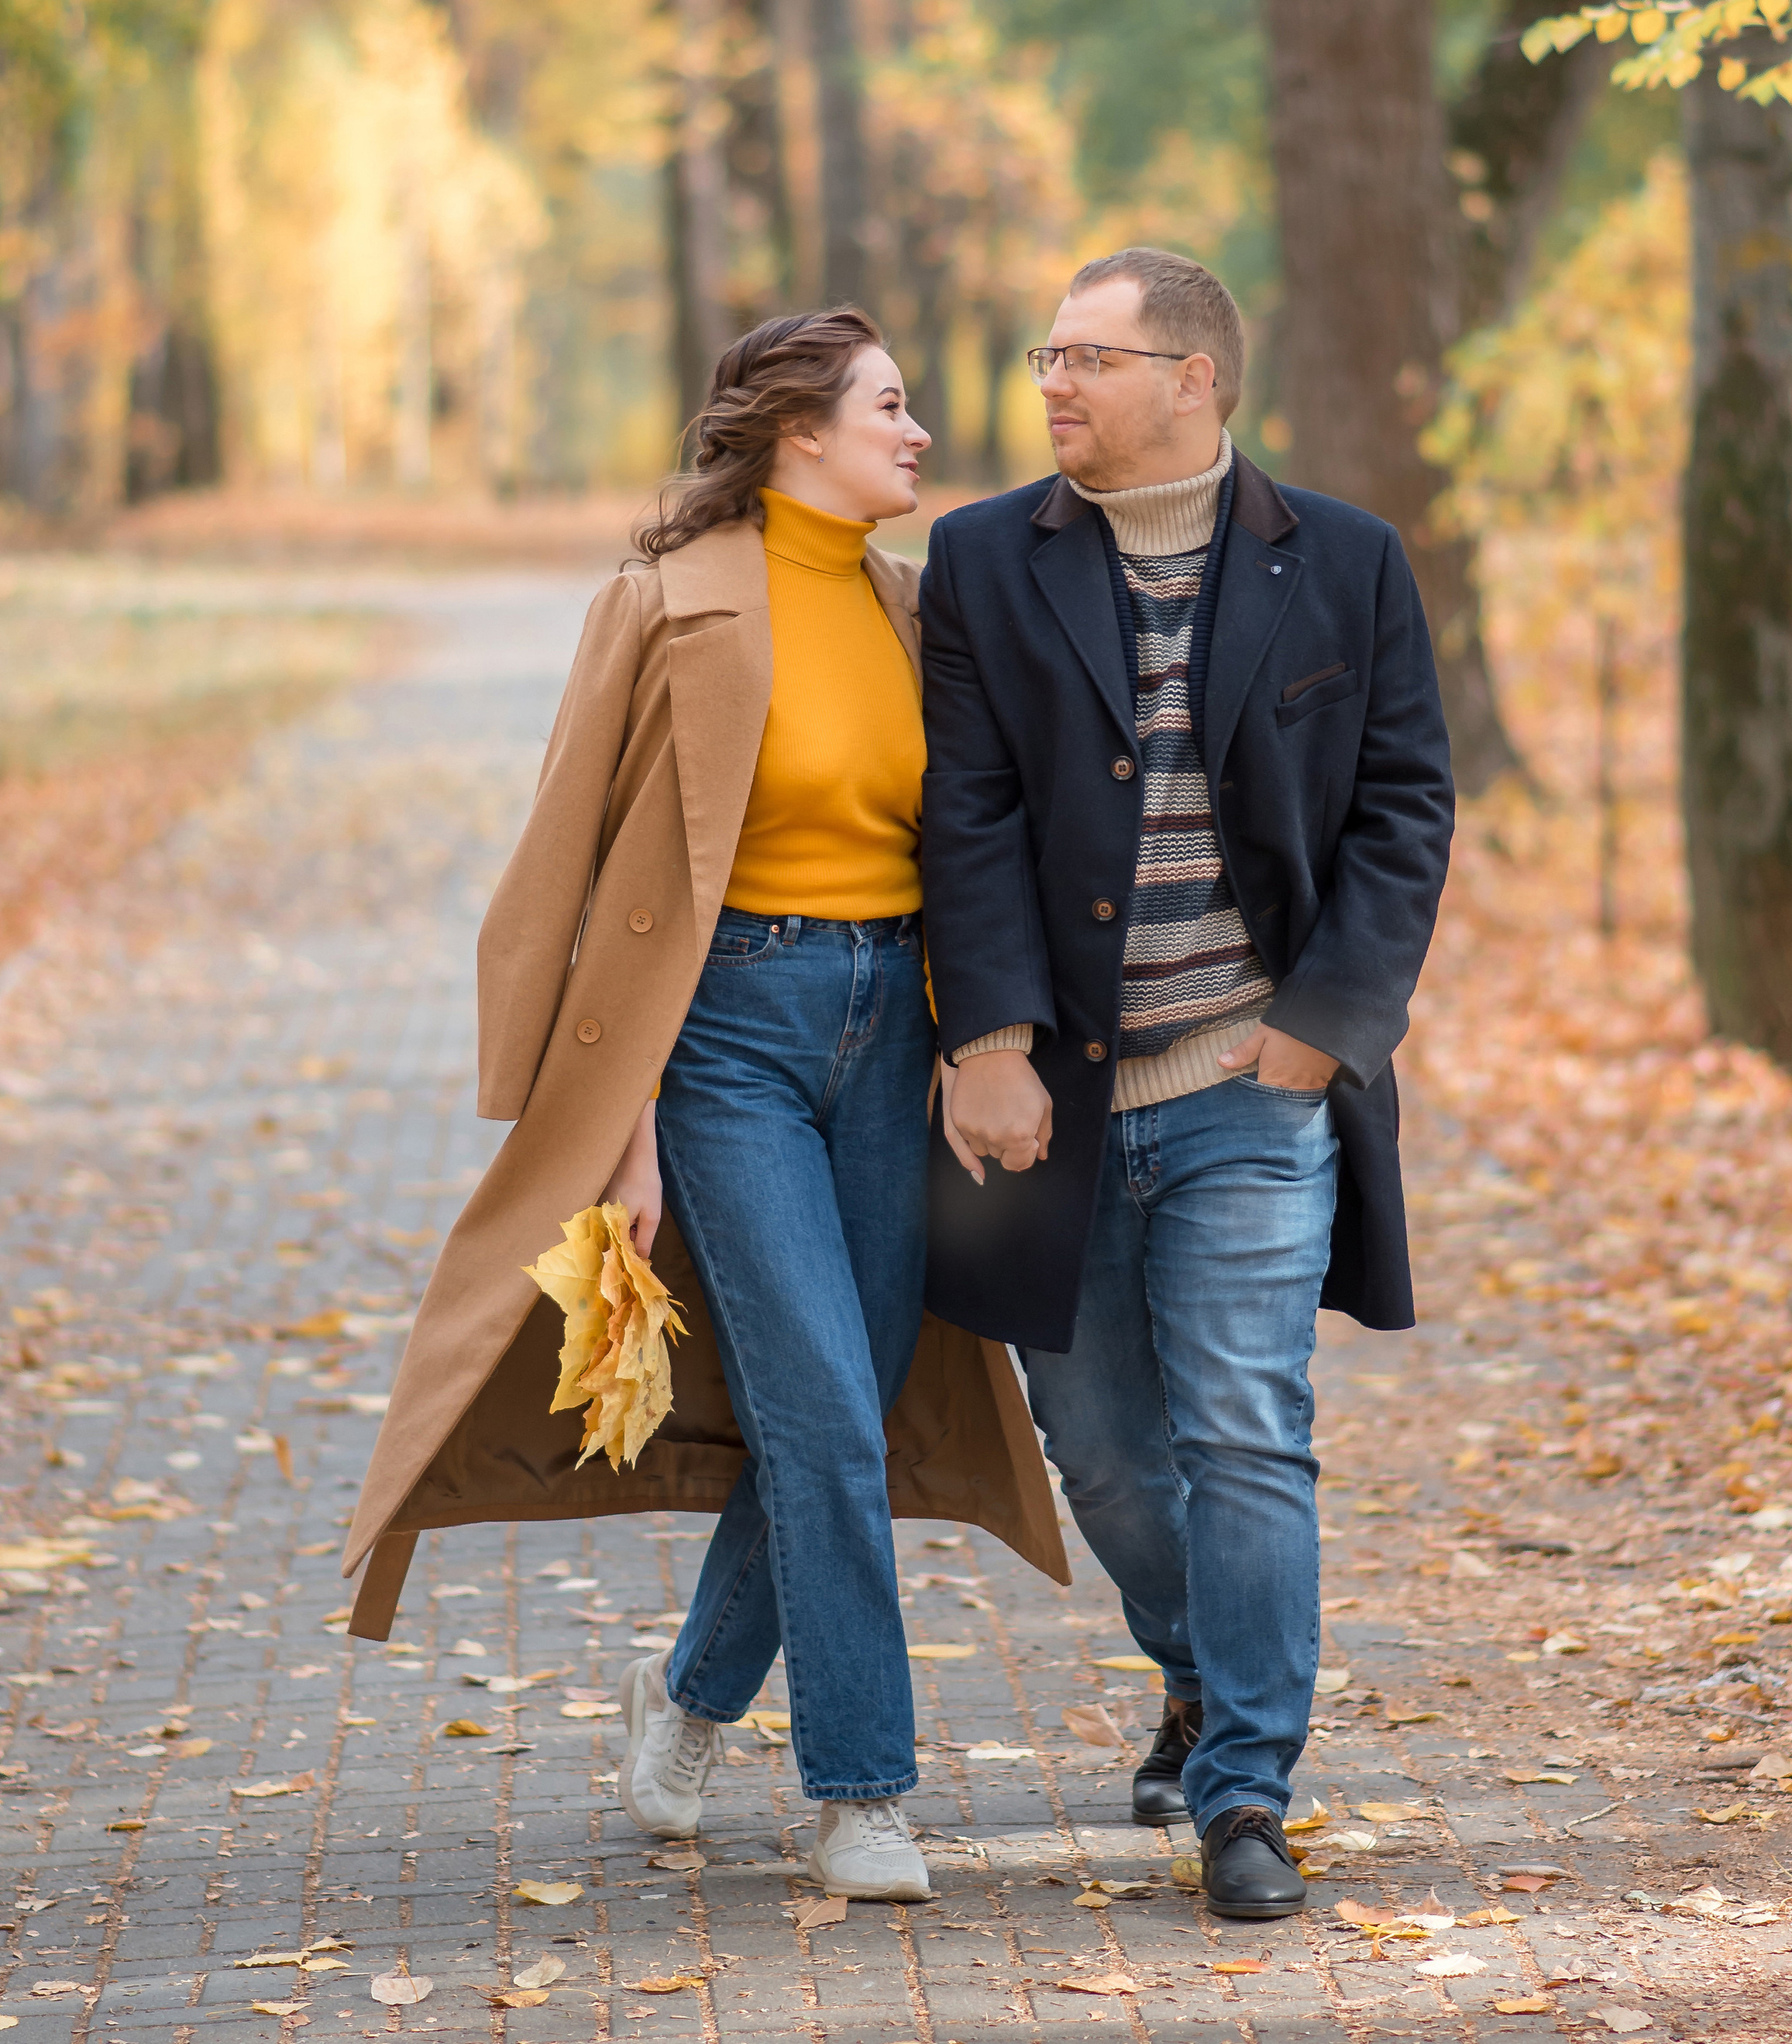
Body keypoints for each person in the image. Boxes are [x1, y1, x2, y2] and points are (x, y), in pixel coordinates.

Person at [344, 305, 1067, 1905]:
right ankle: (862, 1793)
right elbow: (575, 854)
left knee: (852, 1404)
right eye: (892, 404)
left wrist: (983, 1041)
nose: (921, 432)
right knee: (815, 1398)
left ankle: (683, 1698)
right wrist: (622, 1125)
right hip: (721, 1032)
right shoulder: (662, 607)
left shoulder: (908, 605)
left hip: (892, 1032)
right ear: (799, 430)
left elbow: (970, 842)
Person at [920, 247, 1453, 1920]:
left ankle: (1244, 1792)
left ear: (1192, 379)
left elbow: (1402, 807)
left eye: (1088, 356)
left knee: (1243, 1427)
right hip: (1057, 1094)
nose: (1052, 384)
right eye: (1045, 356)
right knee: (1101, 1451)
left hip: (1249, 1081)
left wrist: (1321, 1024)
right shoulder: (982, 561)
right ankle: (1199, 1671)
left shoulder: (1346, 563)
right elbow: (971, 815)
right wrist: (987, 1040)